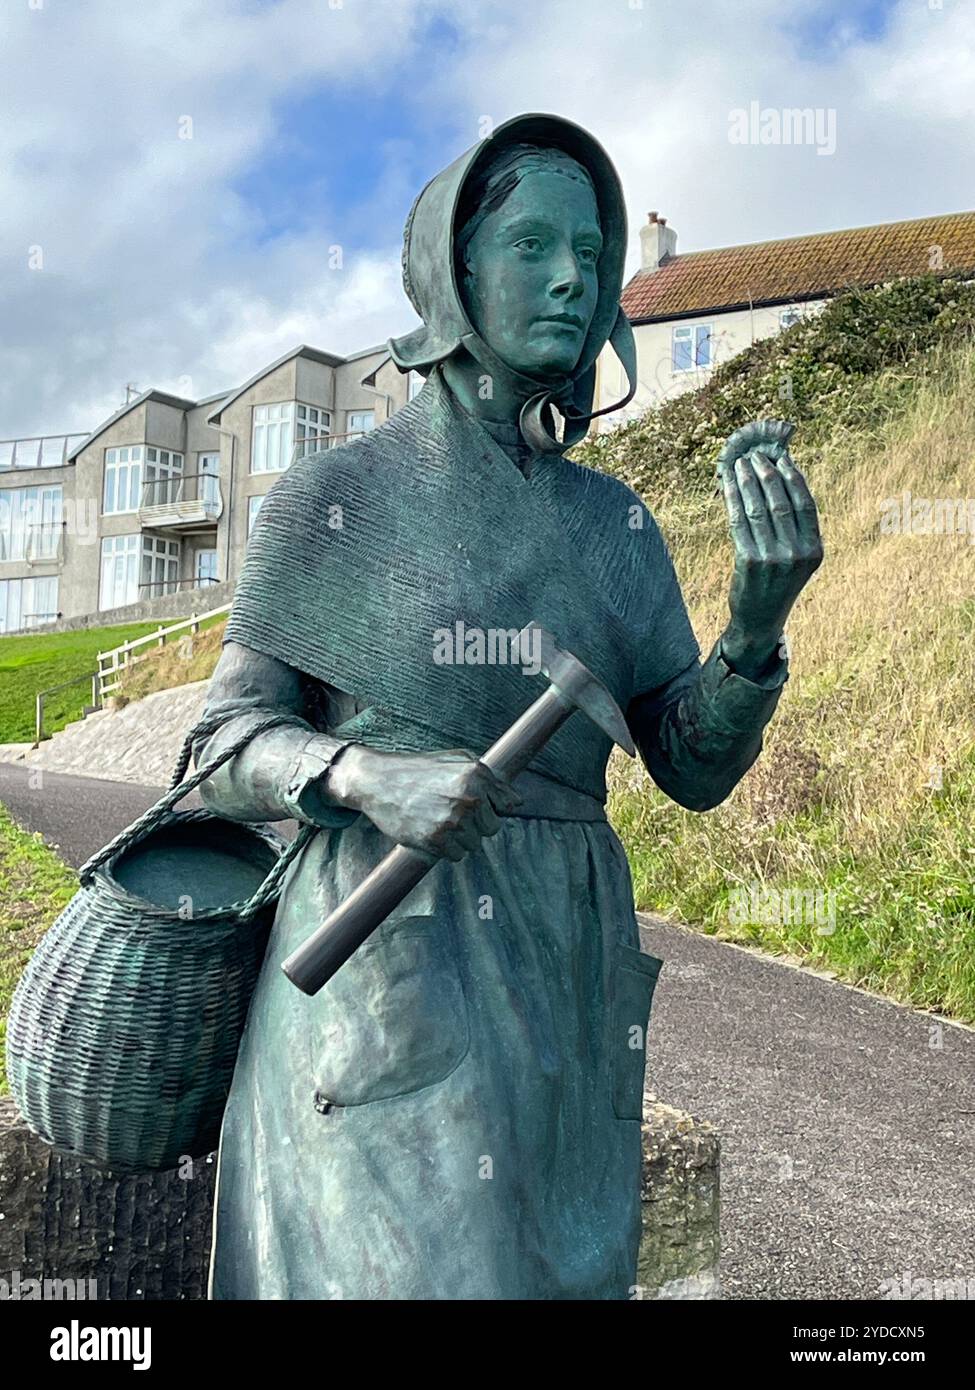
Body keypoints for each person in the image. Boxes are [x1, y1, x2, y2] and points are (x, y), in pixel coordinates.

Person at [195, 113, 822, 1300]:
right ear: (455, 272)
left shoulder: (617, 527)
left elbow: (689, 764)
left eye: (589, 251)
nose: (574, 274)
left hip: (566, 975)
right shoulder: (339, 497)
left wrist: (752, 630)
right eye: (532, 244)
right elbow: (219, 743)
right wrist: (363, 778)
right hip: (392, 950)